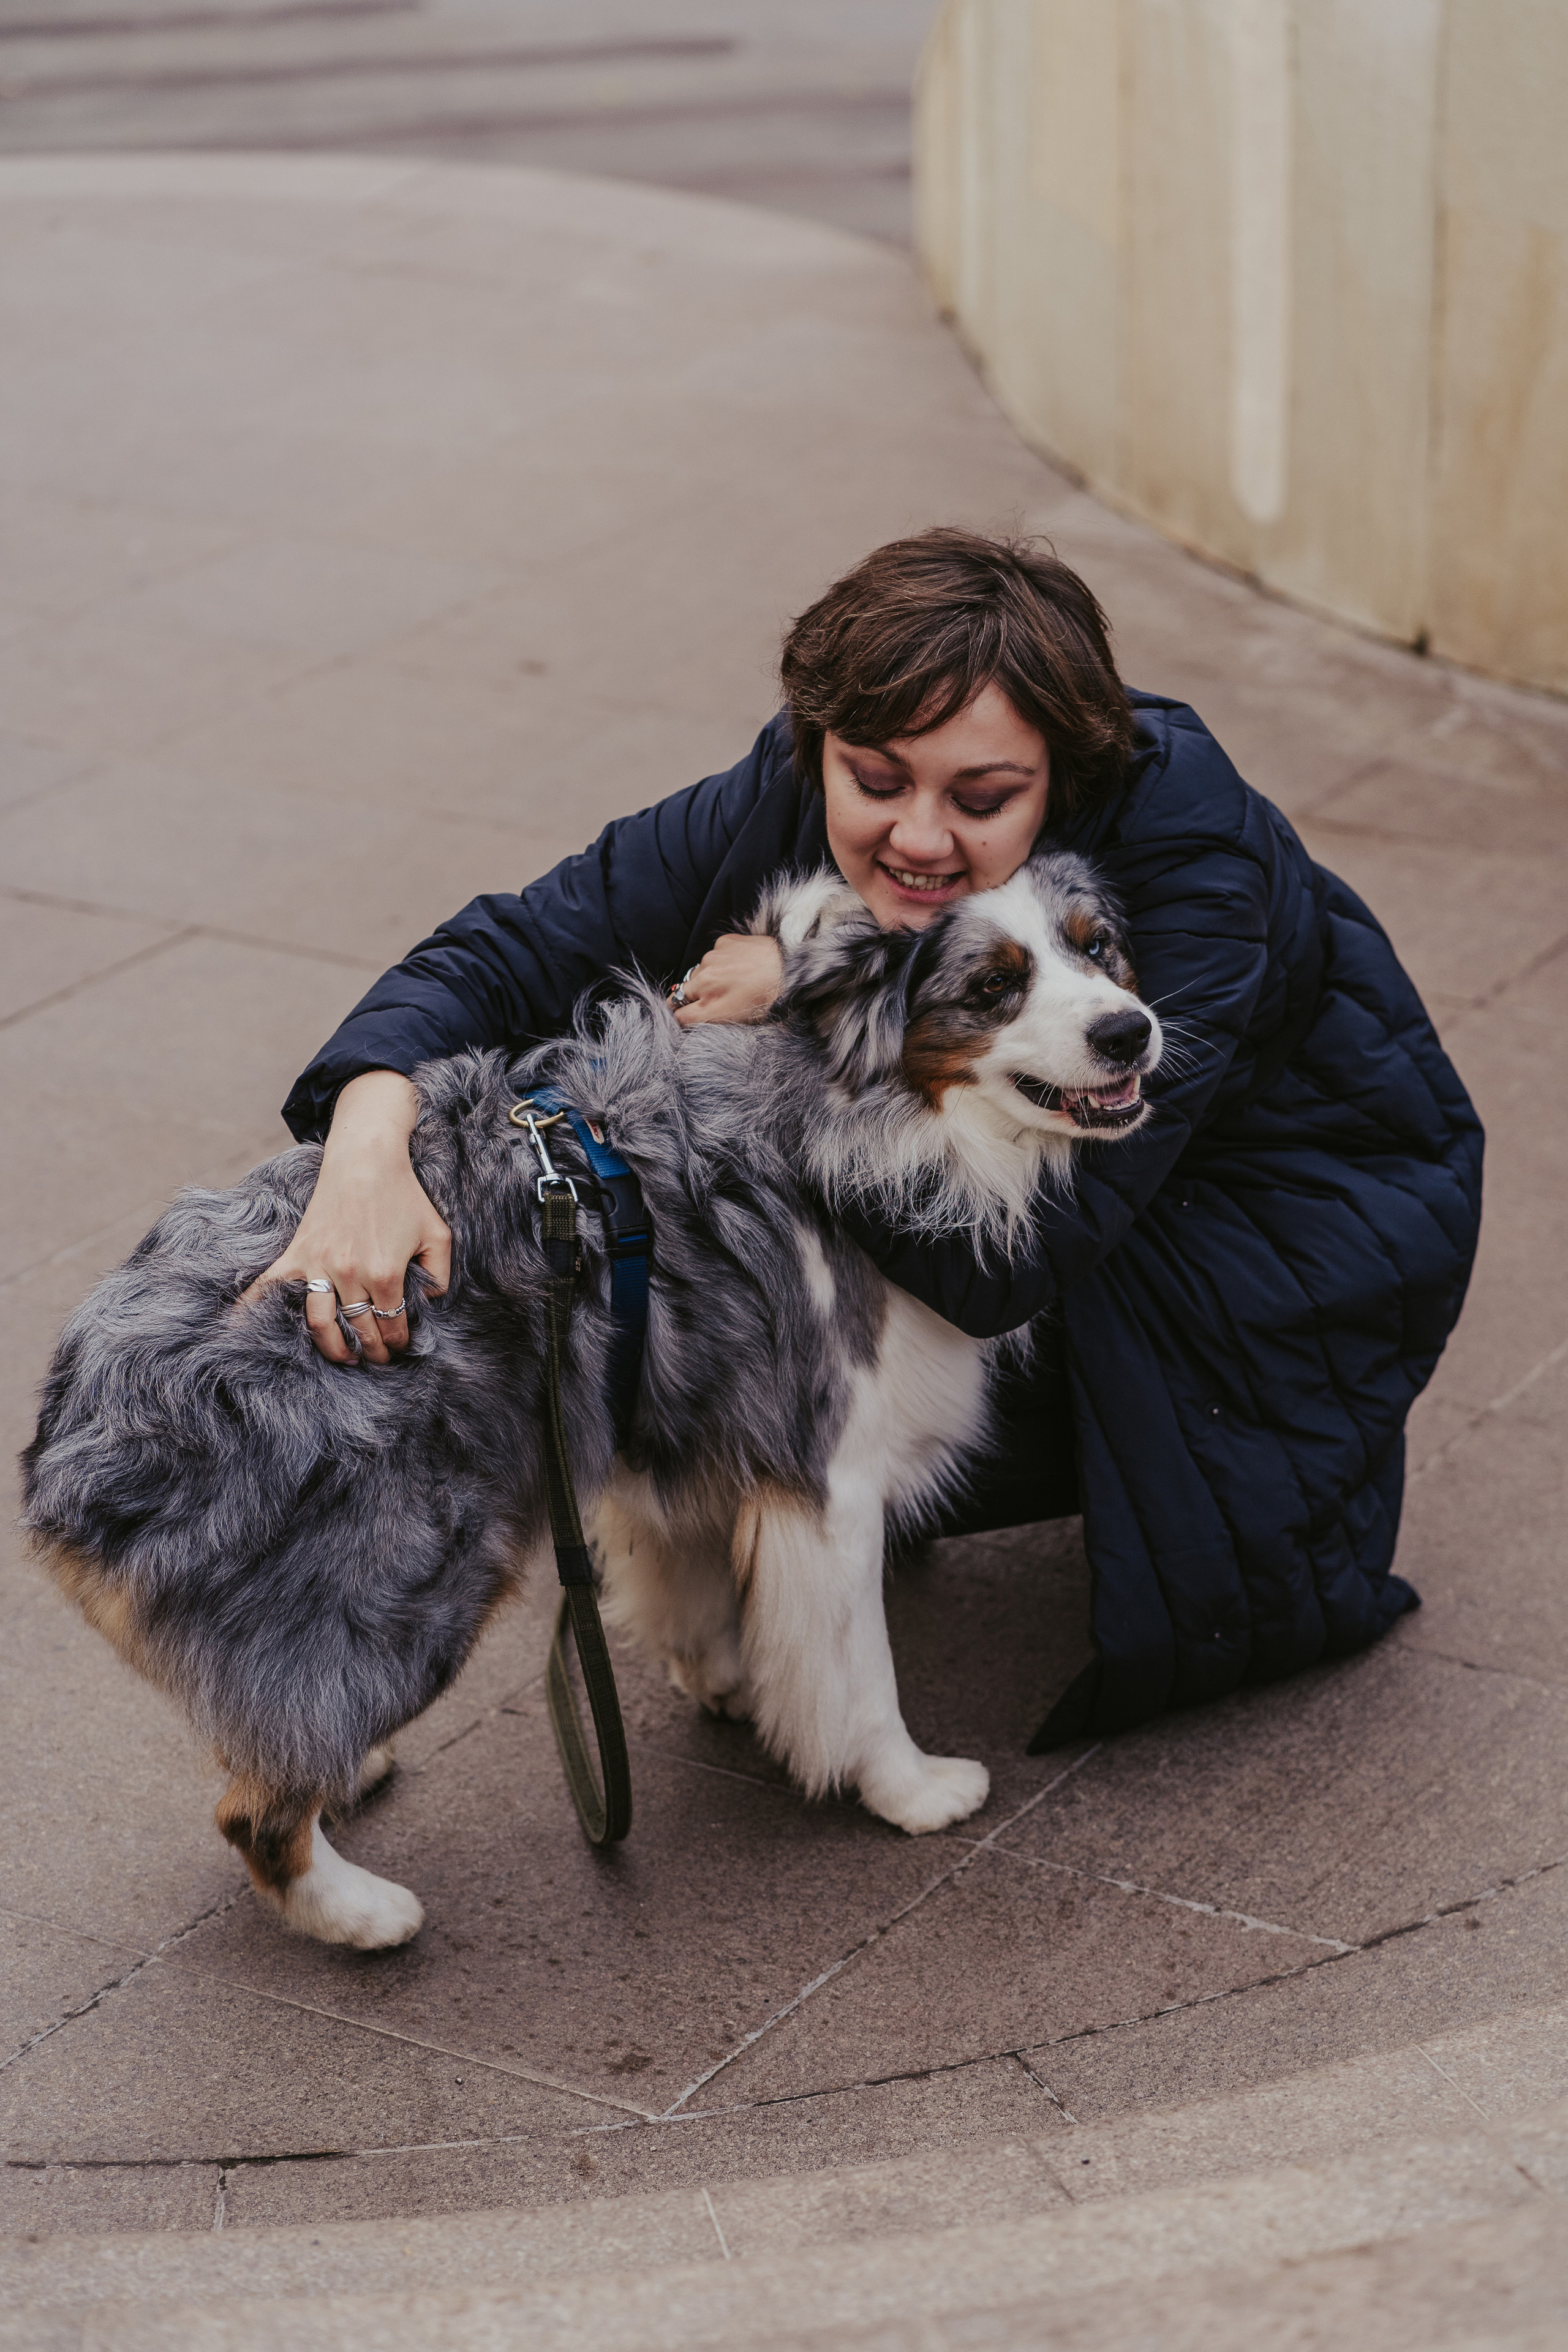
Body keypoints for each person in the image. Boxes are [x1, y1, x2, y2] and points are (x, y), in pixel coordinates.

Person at [258, 531, 1483, 1746]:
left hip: (1263, 1237)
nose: (915, 837)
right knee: (731, 1295)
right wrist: (368, 1150)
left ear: (1065, 769)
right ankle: (731, 1568)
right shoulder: (798, 778)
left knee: (873, 1378)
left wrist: (807, 981)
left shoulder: (1194, 860)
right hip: (998, 1155)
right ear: (820, 746)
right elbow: (515, 944)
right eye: (875, 779)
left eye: (983, 797)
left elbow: (998, 1265)